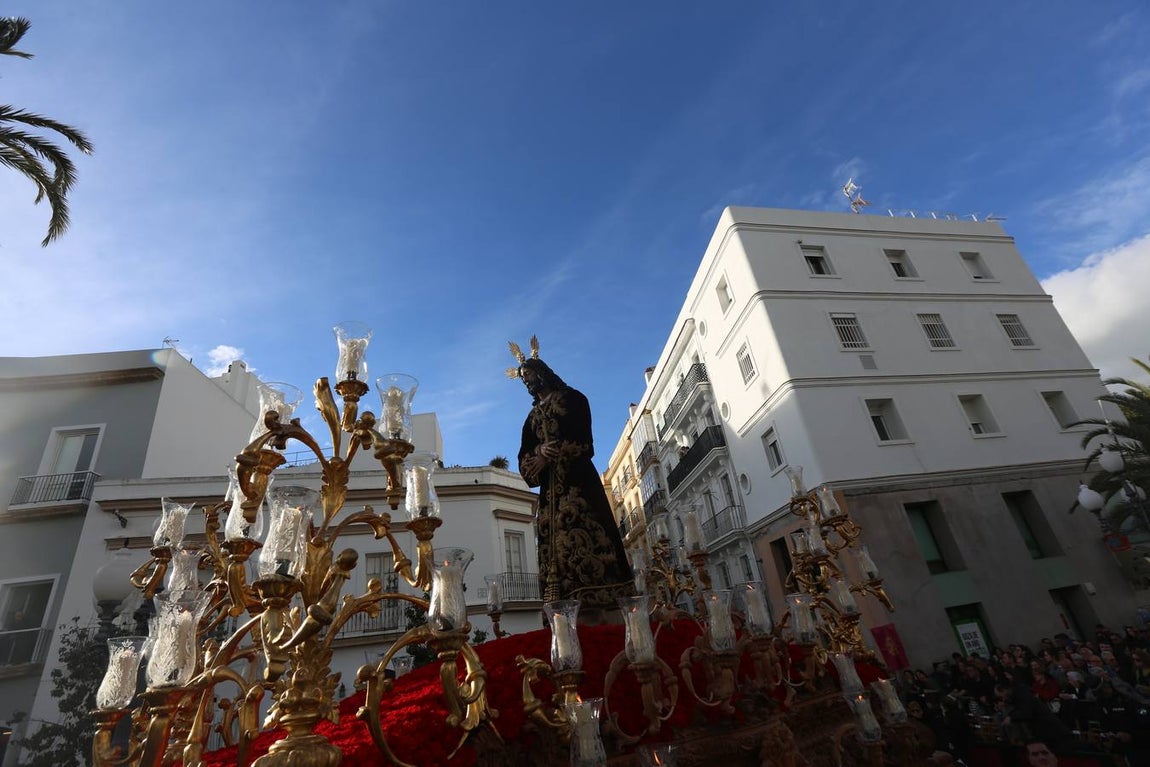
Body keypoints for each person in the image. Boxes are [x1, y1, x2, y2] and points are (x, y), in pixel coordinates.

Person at [509, 341, 634, 617]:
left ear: (541, 371)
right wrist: (537, 454)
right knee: (555, 553)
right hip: (550, 500)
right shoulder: (530, 419)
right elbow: (523, 459)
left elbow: (585, 443)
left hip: (579, 488)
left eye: (529, 373)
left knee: (589, 541)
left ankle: (605, 609)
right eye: (523, 378)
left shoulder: (574, 399)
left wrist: (551, 455)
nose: (526, 380)